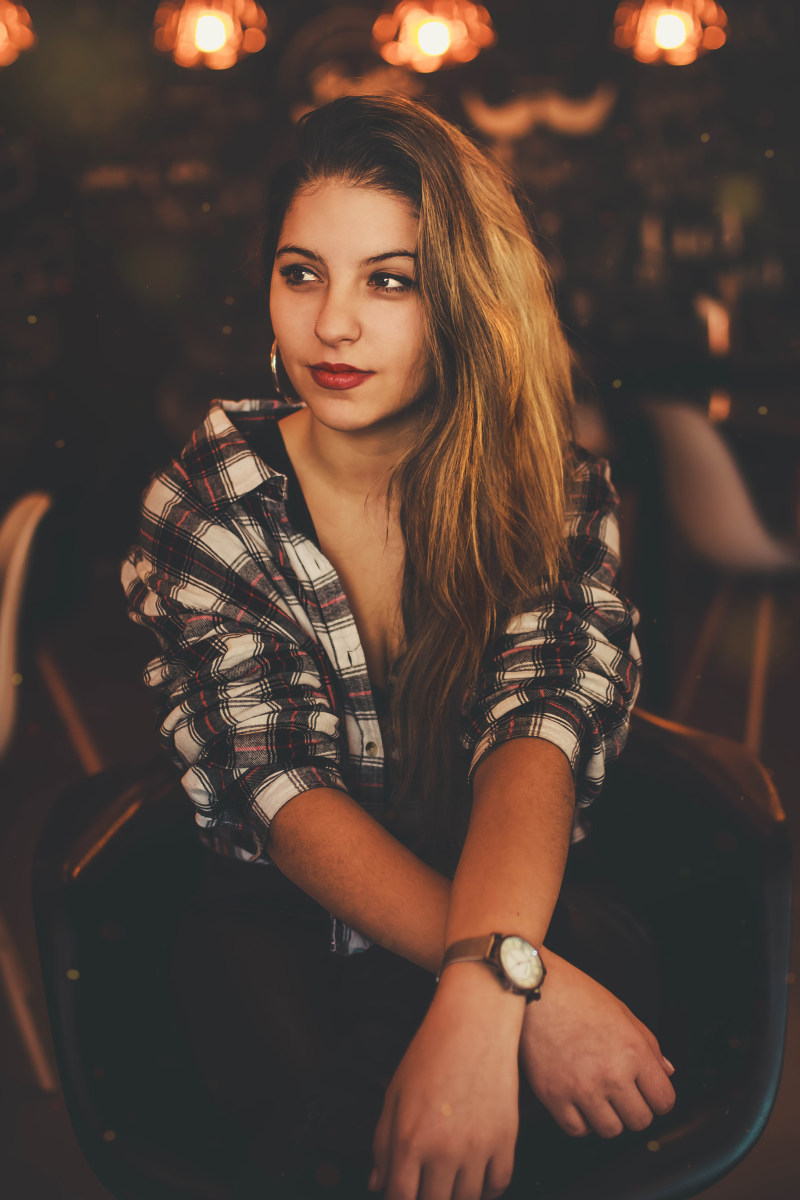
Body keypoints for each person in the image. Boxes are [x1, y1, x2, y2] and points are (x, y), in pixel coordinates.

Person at [121, 94, 675, 1200]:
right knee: (328, 1079)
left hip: (508, 887)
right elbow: (280, 790)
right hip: (285, 929)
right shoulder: (209, 495)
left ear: (463, 299)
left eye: (389, 279)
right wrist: (517, 988)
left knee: (586, 998)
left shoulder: (549, 490)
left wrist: (481, 988)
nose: (331, 326)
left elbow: (538, 735)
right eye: (300, 272)